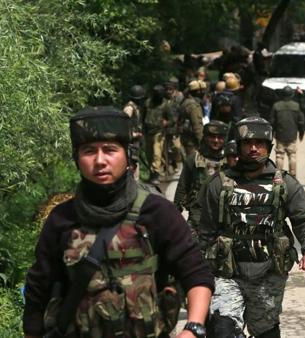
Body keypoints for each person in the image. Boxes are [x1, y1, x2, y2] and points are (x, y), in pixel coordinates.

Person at [23, 106, 213, 338]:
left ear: (127, 155)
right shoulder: (62, 219)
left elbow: (196, 273)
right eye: (89, 151)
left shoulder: (157, 212)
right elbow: (38, 288)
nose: (100, 160)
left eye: (110, 150)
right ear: (77, 158)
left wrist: (193, 327)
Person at [198, 117, 305, 338]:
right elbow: (204, 230)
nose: (254, 148)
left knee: (266, 331)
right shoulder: (218, 184)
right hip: (227, 273)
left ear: (269, 147)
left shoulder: (285, 184)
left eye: (260, 143)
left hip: (268, 272)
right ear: (238, 146)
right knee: (221, 329)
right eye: (247, 143)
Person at [174, 120, 229, 240]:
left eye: (220, 137)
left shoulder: (231, 160)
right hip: (198, 217)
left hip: (225, 218)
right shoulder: (194, 159)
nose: (216, 141)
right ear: (205, 137)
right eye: (212, 137)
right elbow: (182, 187)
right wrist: (175, 215)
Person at [268, 86, 305, 177]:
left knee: (279, 155)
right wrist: (301, 132)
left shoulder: (276, 105)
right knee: (292, 155)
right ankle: (293, 174)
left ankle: (278, 174)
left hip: (280, 134)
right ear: (292, 95)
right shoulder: (296, 106)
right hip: (292, 135)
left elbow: (271, 121)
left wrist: (271, 134)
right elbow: (301, 121)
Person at [123, 85, 145, 180]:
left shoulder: (135, 107)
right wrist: (134, 134)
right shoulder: (129, 108)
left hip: (135, 141)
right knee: (131, 162)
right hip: (130, 140)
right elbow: (123, 124)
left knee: (135, 162)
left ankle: (135, 183)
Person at [179, 80, 206, 157]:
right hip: (192, 142)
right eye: (203, 90)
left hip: (185, 138)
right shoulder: (194, 106)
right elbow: (197, 126)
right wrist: (202, 143)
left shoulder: (185, 102)